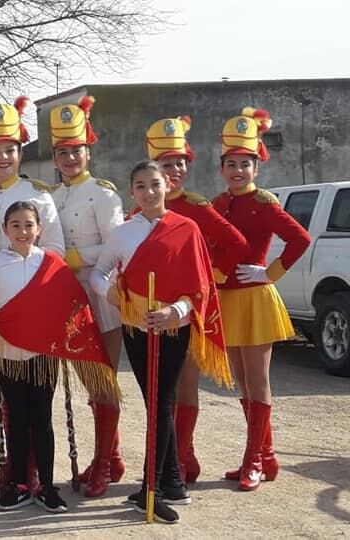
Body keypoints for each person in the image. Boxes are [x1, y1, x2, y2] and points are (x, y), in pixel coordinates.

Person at [90, 160, 232, 523]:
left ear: (167, 185)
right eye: (140, 186)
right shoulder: (123, 232)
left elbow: (199, 286)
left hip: (173, 327)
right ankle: (172, 482)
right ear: (132, 192)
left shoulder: (188, 228)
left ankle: (150, 486)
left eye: (154, 184)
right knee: (155, 400)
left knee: (161, 399)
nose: (149, 192)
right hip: (136, 327)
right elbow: (99, 272)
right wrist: (110, 295)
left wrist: (177, 312)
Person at [0, 201, 122, 513]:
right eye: (15, 225)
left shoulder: (52, 263)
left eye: (29, 224)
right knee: (16, 420)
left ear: (39, 229)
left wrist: (71, 344)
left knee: (42, 419)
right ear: (4, 230)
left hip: (42, 356)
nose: (22, 231)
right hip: (6, 353)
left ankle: (46, 484)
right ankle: (18, 484)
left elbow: (71, 305)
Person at [141, 117, 248, 483]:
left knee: (185, 385)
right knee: (159, 389)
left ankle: (184, 455)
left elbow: (235, 242)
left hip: (186, 314)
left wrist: (211, 277)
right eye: (166, 164)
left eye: (179, 163)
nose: (173, 171)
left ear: (188, 166)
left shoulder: (198, 208)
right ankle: (167, 457)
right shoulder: (138, 212)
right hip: (152, 315)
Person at [0, 97, 65, 493]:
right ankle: (13, 465)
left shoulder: (40, 194)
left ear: (20, 152)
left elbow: (56, 249)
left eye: (10, 149)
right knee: (8, 402)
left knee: (37, 406)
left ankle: (36, 470)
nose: (3, 157)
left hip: (32, 306)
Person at [212, 108, 311, 491]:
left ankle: (253, 458)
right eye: (231, 164)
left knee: (258, 384)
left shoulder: (265, 203)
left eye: (245, 164)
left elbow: (300, 239)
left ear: (257, 167)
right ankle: (266, 456)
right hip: (227, 300)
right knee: (241, 384)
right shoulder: (219, 204)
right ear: (221, 168)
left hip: (254, 299)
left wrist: (269, 272)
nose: (237, 170)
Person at [48, 95, 126, 497]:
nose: (69, 158)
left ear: (87, 150)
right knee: (87, 381)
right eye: (62, 152)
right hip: (68, 297)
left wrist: (78, 256)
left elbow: (117, 244)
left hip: (99, 293)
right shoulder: (52, 198)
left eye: (75, 151)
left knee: (104, 381)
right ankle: (108, 457)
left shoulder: (103, 193)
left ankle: (102, 463)